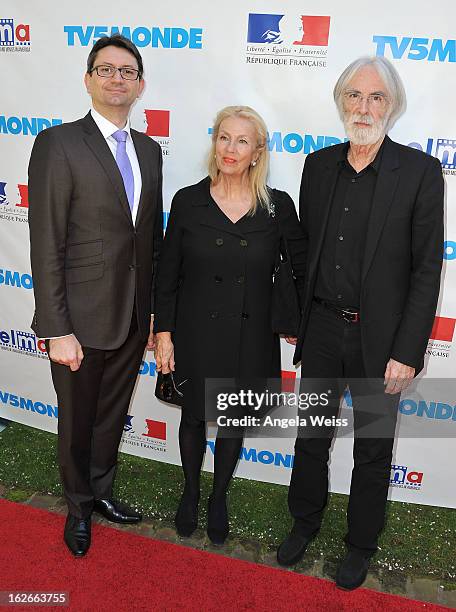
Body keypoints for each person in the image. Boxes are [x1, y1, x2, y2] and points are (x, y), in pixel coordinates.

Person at [277, 56, 444, 590]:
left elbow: (426, 268)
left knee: (373, 447)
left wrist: (409, 350)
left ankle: (360, 544)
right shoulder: (318, 166)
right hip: (323, 330)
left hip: (382, 341)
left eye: (375, 97)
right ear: (340, 101)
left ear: (391, 106)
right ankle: (304, 522)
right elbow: (304, 253)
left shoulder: (418, 172)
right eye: (354, 95)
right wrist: (296, 314)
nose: (363, 106)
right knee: (312, 436)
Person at [28, 34, 163, 557]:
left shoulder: (149, 150)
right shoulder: (58, 144)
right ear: (88, 80)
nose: (116, 78)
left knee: (111, 414)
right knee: (78, 419)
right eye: (105, 69)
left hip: (131, 316)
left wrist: (150, 314)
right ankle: (78, 506)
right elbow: (46, 241)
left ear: (140, 85)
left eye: (127, 71)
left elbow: (145, 238)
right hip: (78, 323)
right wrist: (56, 327)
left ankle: (101, 491)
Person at [153, 105, 306, 545]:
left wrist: (298, 318)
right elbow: (167, 276)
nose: (230, 148)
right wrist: (164, 334)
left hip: (250, 332)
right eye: (224, 137)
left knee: (234, 418)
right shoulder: (188, 200)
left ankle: (218, 496)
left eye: (242, 141)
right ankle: (190, 490)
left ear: (258, 152)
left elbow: (301, 266)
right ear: (214, 142)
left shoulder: (277, 207)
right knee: (194, 417)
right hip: (195, 330)